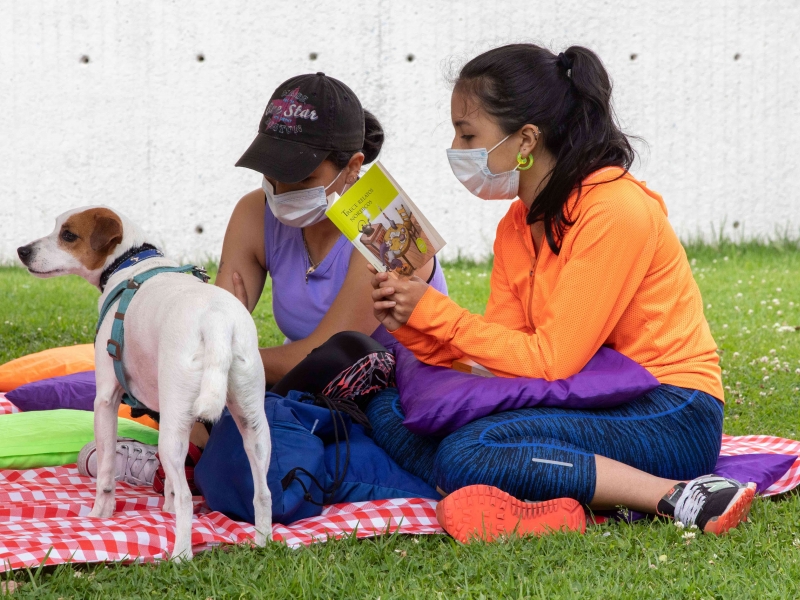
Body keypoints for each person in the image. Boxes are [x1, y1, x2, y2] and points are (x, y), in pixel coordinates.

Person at [367, 44, 754, 541]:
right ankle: (557, 505)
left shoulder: (614, 209)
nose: (457, 149)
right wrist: (412, 320)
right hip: (590, 394)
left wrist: (435, 312)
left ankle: (676, 495)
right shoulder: (516, 224)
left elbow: (552, 360)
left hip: (669, 407)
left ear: (526, 138)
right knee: (388, 406)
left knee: (466, 451)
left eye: (468, 134)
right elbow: (502, 353)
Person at [80, 72, 448, 491]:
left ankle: (194, 457)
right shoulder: (254, 213)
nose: (282, 190)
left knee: (341, 357)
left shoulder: (390, 224)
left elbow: (327, 350)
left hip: (396, 389)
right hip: (306, 388)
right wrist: (208, 350)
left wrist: (220, 358)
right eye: (273, 175)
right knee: (200, 373)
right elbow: (209, 323)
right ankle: (203, 454)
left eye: (303, 179)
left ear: (352, 167)